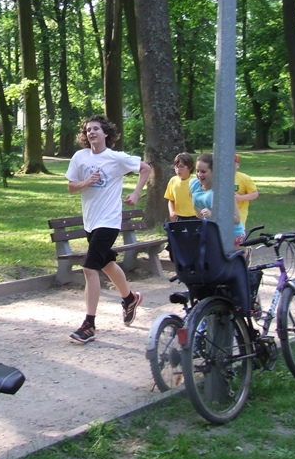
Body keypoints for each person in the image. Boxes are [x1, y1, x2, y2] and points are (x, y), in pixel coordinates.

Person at [65, 115, 151, 344]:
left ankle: (89, 325)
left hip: (109, 221)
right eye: (88, 130)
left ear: (105, 133)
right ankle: (130, 298)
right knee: (107, 264)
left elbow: (145, 168)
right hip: (90, 222)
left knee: (89, 268)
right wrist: (86, 182)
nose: (91, 132)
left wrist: (136, 193)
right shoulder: (80, 157)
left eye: (96, 129)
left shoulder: (116, 158)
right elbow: (71, 187)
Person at [189, 153, 245, 247]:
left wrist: (213, 215)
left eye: (203, 171)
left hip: (232, 236)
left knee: (230, 258)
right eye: (197, 171)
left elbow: (236, 219)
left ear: (214, 172)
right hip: (212, 234)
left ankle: (246, 252)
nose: (199, 175)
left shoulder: (223, 190)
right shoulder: (194, 184)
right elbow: (197, 210)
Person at [164, 152, 197, 222]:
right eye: (176, 167)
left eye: (181, 167)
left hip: (195, 217)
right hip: (179, 218)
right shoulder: (173, 181)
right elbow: (171, 200)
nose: (178, 169)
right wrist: (171, 212)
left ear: (190, 167)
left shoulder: (196, 181)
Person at [234, 154, 259, 229]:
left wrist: (240, 198)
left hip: (240, 213)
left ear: (238, 165)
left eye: (233, 163)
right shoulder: (218, 178)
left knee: (237, 233)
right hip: (222, 213)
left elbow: (255, 194)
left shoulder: (245, 178)